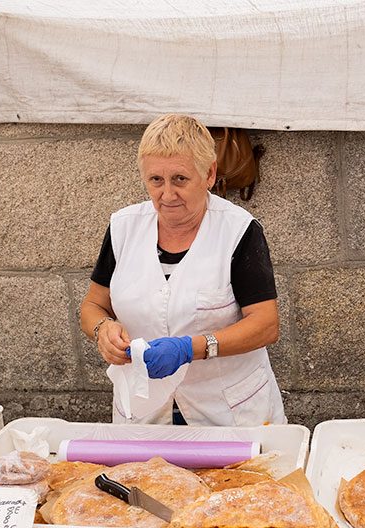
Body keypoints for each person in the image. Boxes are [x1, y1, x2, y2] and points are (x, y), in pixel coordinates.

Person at [80, 114, 286, 426]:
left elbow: (265, 324)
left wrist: (192, 348)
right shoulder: (123, 227)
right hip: (144, 409)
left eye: (180, 179)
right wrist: (102, 330)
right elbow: (94, 305)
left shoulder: (238, 231)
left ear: (209, 174)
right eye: (156, 180)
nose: (166, 194)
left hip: (227, 412)